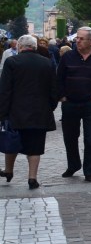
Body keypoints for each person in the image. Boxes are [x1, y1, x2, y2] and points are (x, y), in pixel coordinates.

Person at [0, 35, 58, 190]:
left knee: (11, 141)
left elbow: (5, 90)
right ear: (35, 47)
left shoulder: (11, 62)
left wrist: (2, 113)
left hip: (16, 111)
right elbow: (54, 89)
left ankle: (8, 170)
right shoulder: (47, 63)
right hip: (40, 112)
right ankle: (32, 177)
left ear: (19, 46)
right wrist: (50, 107)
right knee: (35, 146)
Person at [57, 26, 91, 182]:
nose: (77, 41)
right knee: (70, 137)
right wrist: (62, 96)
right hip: (70, 103)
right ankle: (73, 165)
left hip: (90, 104)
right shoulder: (68, 57)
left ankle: (90, 170)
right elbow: (59, 78)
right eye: (77, 38)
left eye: (81, 39)